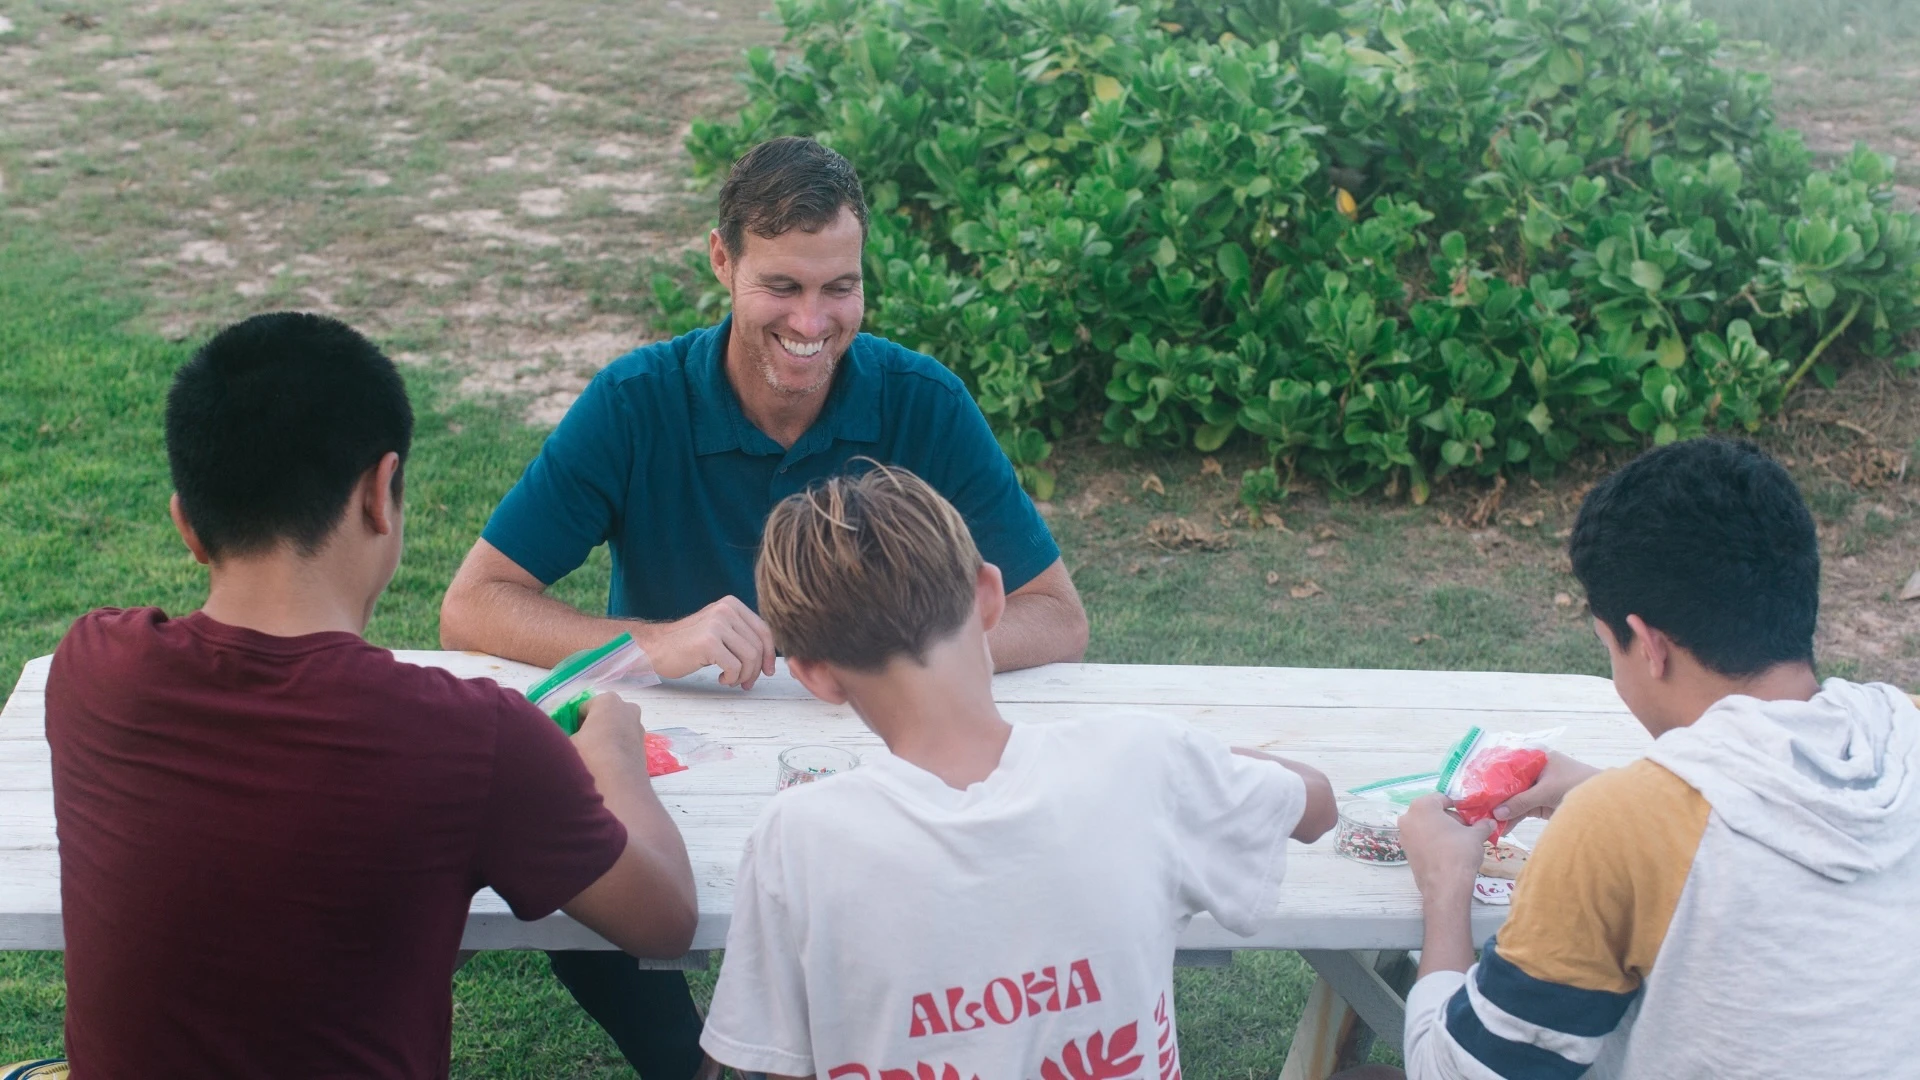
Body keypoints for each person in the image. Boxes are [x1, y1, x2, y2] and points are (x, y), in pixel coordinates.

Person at [439, 136, 1089, 1075]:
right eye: (782, 286)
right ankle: (684, 1062)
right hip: (675, 759)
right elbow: (474, 603)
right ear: (723, 260)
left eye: (840, 288)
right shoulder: (635, 401)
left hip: (879, 757)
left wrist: (894, 657)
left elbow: (1056, 614)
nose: (813, 322)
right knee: (583, 852)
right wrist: (655, 640)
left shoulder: (923, 401)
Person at [45, 313, 698, 1078]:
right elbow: (666, 921)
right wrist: (614, 754)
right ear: (380, 494)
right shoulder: (472, 741)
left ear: (186, 525)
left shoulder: (92, 668)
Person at [698, 465, 1340, 1079]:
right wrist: (1189, 754)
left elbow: (782, 1064)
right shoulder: (1144, 762)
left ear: (815, 674)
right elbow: (1315, 806)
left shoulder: (795, 837)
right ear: (989, 596)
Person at [1396, 438, 1920, 1079]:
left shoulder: (1616, 829)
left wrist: (1444, 884)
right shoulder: (1904, 731)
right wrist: (1613, 794)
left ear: (1648, 645)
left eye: (1608, 648)